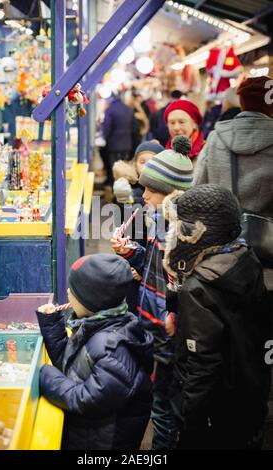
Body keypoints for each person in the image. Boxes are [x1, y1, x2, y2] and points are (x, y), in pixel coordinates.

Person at [163, 184, 272, 449]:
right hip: (249, 399)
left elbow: (201, 369)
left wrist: (189, 426)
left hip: (214, 417)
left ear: (195, 234)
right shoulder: (245, 256)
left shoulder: (198, 290)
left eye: (179, 228)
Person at [111, 136, 194, 450]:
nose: (143, 195)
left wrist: (173, 315)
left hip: (170, 332)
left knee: (164, 408)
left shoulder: (184, 231)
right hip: (152, 323)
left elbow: (184, 284)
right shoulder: (158, 220)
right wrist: (131, 253)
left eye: (150, 190)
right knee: (156, 400)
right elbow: (153, 266)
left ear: (172, 193)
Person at [36, 253, 154, 450]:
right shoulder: (95, 324)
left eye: (72, 291)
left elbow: (86, 399)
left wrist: (43, 375)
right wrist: (52, 327)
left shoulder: (114, 350)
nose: (67, 291)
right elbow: (71, 367)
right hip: (86, 435)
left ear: (91, 302)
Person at [194, 76, 273, 290]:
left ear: (241, 101)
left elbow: (197, 190)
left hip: (218, 256)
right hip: (265, 256)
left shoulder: (216, 138)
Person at [112, 140, 165, 313]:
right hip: (132, 257)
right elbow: (124, 224)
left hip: (151, 263)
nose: (147, 166)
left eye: (153, 161)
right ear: (135, 165)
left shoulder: (162, 195)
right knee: (133, 302)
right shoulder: (128, 188)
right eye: (143, 162)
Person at [102, 92, 134, 189]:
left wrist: (104, 137)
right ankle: (126, 191)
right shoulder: (128, 109)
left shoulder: (110, 110)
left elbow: (106, 127)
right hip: (127, 143)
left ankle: (115, 192)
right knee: (125, 169)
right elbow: (133, 127)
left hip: (113, 144)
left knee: (115, 169)